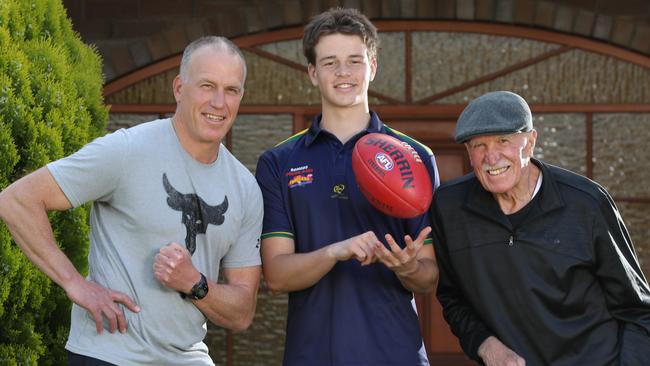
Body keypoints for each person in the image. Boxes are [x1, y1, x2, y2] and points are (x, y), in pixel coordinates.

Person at [0, 36, 263, 365]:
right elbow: (16, 201)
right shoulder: (127, 151)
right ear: (180, 88)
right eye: (207, 86)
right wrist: (75, 284)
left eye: (232, 90)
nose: (219, 102)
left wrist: (194, 283)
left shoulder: (244, 188)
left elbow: (241, 313)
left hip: (187, 357)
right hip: (110, 354)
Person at [255, 8, 439, 366]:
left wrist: (406, 268)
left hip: (395, 355)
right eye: (330, 62)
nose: (343, 73)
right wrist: (335, 251)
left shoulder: (415, 156)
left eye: (355, 60)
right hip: (312, 356)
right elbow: (276, 276)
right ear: (312, 72)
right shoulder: (279, 161)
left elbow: (429, 278)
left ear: (373, 65)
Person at [430, 90, 650, 365]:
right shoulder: (449, 208)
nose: (492, 157)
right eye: (479, 145)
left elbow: (637, 309)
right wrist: (486, 345)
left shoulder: (586, 203)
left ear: (531, 142)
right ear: (468, 153)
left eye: (503, 141)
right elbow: (453, 299)